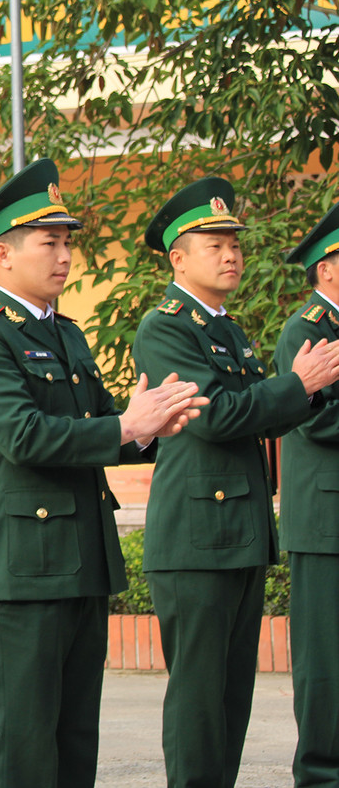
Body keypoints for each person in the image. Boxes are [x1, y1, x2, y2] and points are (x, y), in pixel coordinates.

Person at [0, 158, 206, 788]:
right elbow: (23, 437)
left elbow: (93, 434)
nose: (65, 256)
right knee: (27, 755)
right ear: (2, 255)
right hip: (21, 573)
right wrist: (125, 426)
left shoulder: (66, 333)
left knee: (74, 749)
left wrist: (145, 431)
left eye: (68, 243)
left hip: (81, 561)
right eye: (50, 243)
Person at [133, 178, 339, 788]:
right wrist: (298, 387)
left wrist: (290, 395)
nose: (231, 254)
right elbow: (218, 415)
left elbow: (262, 410)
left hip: (237, 532)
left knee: (230, 701)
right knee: (200, 702)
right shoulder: (166, 327)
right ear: (177, 257)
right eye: (214, 242)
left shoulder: (225, 327)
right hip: (197, 535)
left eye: (235, 243)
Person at [276, 200, 339, 788]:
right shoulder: (308, 328)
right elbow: (315, 418)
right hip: (325, 517)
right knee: (325, 660)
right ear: (325, 268)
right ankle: (321, 773)